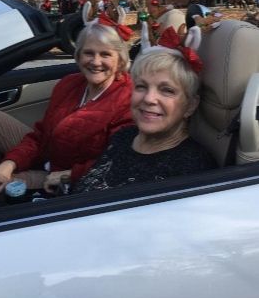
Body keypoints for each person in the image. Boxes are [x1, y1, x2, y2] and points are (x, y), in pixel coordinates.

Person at [0, 16, 135, 194]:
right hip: (48, 155)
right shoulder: (69, 84)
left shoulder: (127, 99)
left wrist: (68, 175)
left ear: (120, 60)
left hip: (67, 178)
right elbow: (41, 135)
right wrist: (8, 164)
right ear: (78, 55)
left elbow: (115, 161)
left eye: (105, 54)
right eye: (89, 53)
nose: (96, 62)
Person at [47, 34, 216, 193]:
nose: (149, 99)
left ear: (190, 106)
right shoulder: (125, 136)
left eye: (167, 90)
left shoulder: (191, 169)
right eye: (141, 87)